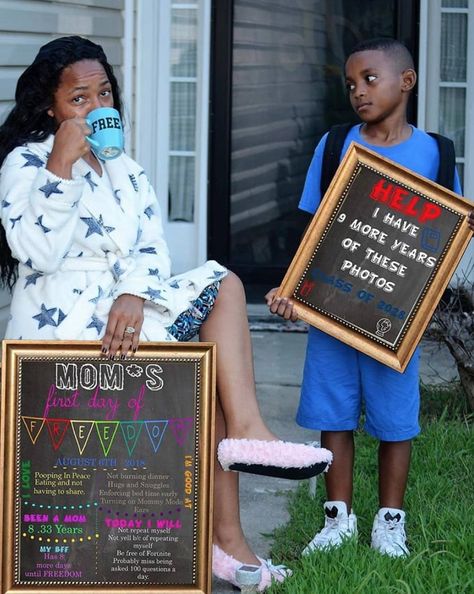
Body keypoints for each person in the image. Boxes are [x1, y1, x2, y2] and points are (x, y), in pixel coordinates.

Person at [0, 36, 333, 590]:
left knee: (222, 284)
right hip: (62, 335)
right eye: (79, 97)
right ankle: (228, 539)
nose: (97, 106)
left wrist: (133, 292)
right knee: (210, 395)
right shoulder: (25, 162)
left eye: (104, 92)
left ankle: (246, 443)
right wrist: (60, 165)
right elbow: (36, 251)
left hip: (129, 318)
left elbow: (153, 246)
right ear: (49, 108)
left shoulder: (125, 168)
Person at [267, 37, 473, 558]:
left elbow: (440, 238)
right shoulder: (336, 144)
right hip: (333, 307)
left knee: (394, 416)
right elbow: (315, 229)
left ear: (407, 81)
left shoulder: (437, 153)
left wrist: (428, 299)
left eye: (370, 79)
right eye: (351, 84)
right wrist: (292, 289)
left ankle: (389, 521)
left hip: (395, 315)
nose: (359, 91)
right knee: (334, 412)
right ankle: (338, 521)